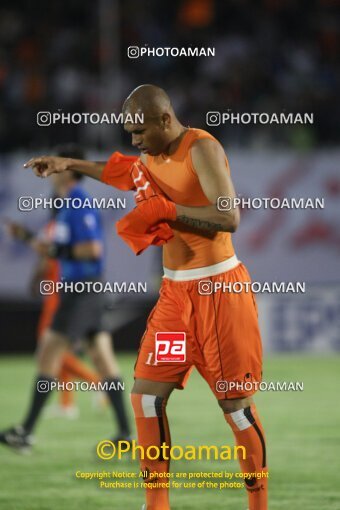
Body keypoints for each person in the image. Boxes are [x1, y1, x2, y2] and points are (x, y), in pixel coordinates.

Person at [21, 85, 267, 510]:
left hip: (219, 293)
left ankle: (258, 504)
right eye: (129, 132)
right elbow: (120, 171)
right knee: (146, 398)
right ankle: (156, 505)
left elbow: (228, 216)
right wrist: (69, 163)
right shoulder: (151, 157)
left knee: (235, 407)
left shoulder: (201, 148)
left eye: (139, 132)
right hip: (175, 297)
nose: (134, 140)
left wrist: (169, 210)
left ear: (164, 120)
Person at [0, 145, 131, 452]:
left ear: (68, 171)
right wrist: (27, 238)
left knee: (48, 353)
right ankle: (125, 432)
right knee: (102, 358)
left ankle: (26, 431)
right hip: (83, 288)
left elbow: (92, 250)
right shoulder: (63, 205)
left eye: (57, 166)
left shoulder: (78, 202)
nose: (50, 172)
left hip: (82, 290)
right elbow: (57, 251)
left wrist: (55, 253)